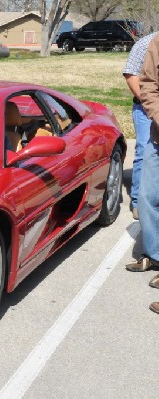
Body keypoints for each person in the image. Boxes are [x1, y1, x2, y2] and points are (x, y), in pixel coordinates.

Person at [131, 33, 159, 314]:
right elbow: (147, 84)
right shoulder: (157, 43)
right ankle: (154, 255)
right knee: (147, 198)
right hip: (158, 135)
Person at [122, 32, 157, 220]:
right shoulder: (146, 43)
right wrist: (150, 105)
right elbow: (131, 75)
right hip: (146, 108)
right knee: (145, 151)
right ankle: (138, 202)